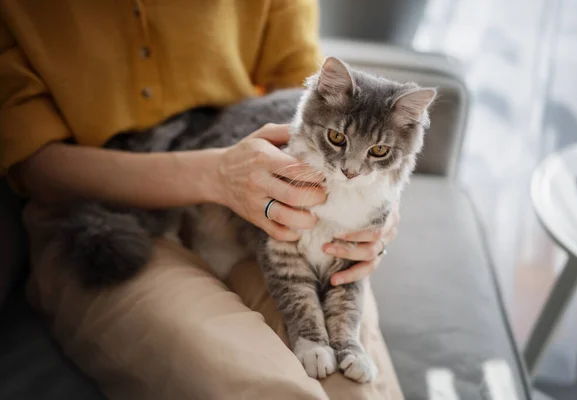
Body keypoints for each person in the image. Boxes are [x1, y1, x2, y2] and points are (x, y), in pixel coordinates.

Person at [0, 1, 402, 398]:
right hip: (106, 209)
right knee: (265, 389)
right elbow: (34, 163)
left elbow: (310, 95)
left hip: (268, 200)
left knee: (353, 388)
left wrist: (378, 200)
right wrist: (216, 176)